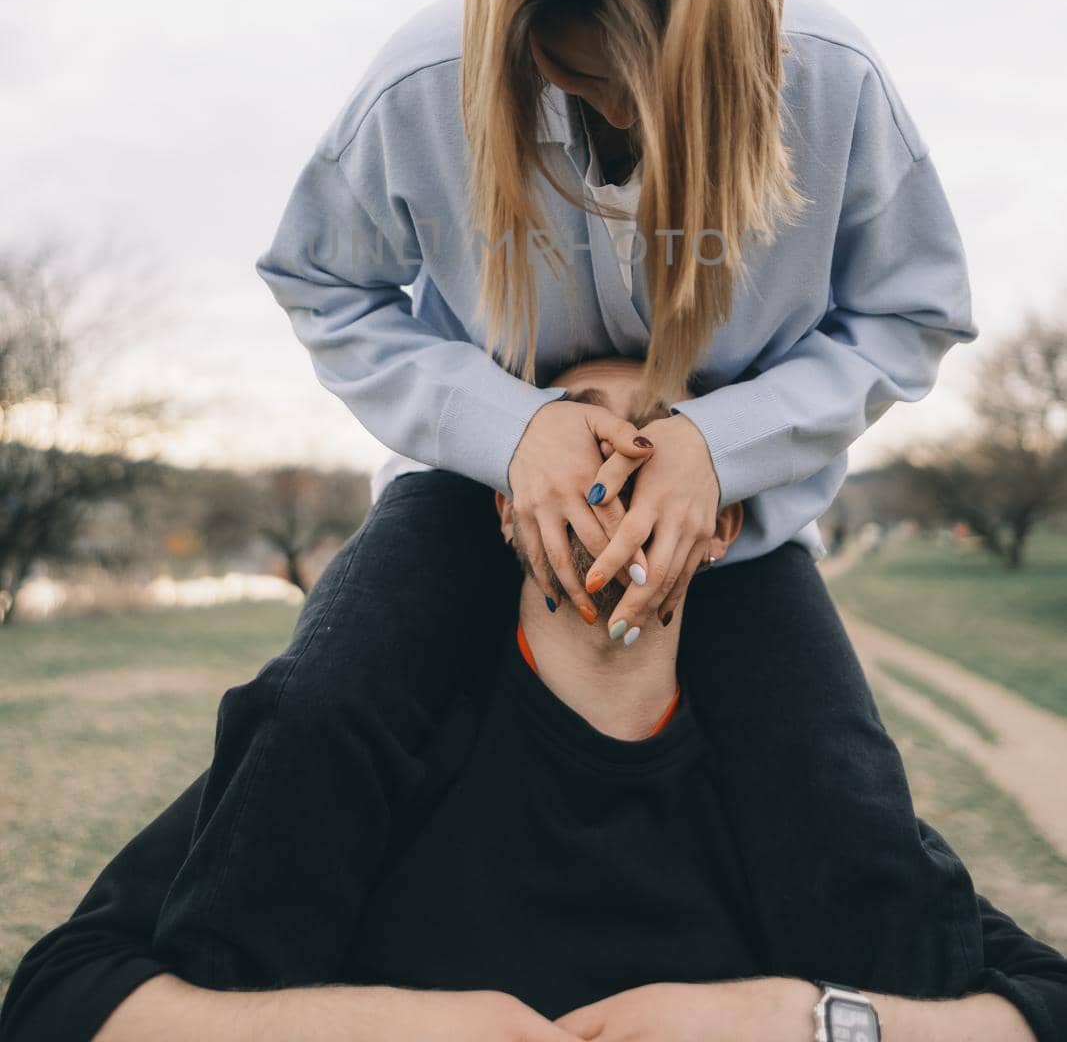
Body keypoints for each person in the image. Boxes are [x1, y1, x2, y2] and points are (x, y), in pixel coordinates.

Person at [150, 0, 982, 994]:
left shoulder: (834, 81)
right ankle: (209, 1001)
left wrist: (717, 444)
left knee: (837, 790)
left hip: (724, 517)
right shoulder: (419, 86)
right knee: (314, 719)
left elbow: (911, 311)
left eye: (657, 84)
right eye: (584, 79)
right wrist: (511, 427)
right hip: (467, 489)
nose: (624, 115)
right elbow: (320, 284)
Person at [2, 370, 1065, 1042]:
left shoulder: (790, 780)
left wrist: (792, 1018)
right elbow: (54, 998)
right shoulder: (366, 748)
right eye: (571, 424)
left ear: (720, 521)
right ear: (506, 500)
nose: (612, 460)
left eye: (658, 428)